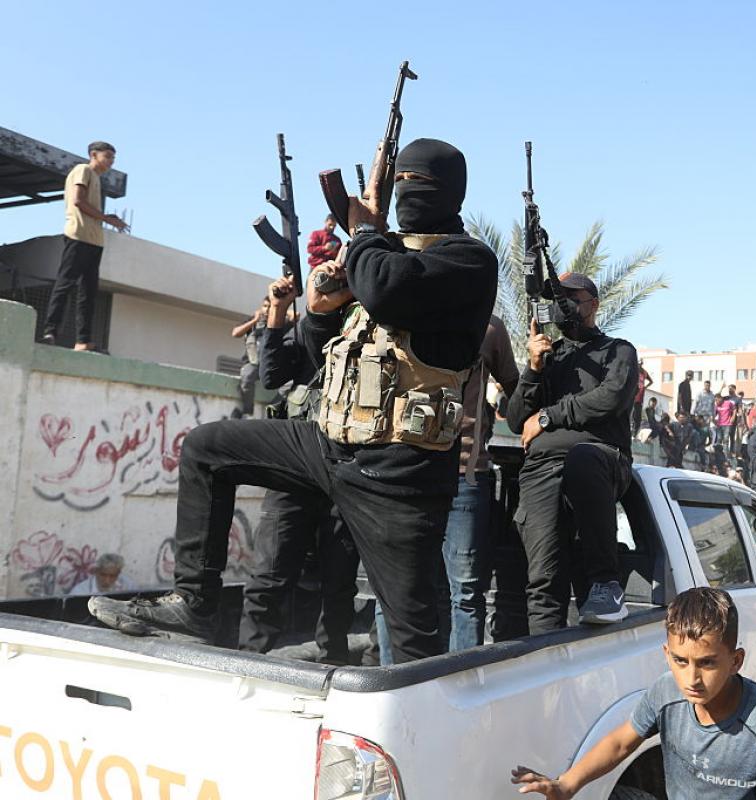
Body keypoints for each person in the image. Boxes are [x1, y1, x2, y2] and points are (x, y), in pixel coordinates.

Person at [88, 138, 498, 664]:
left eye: (416, 183)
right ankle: (194, 603)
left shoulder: (466, 260)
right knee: (207, 448)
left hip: (399, 474)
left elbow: (388, 288)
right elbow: (310, 358)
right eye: (398, 181)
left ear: (451, 192)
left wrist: (365, 234)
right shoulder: (384, 255)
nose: (404, 192)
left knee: (413, 638)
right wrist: (322, 310)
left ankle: (425, 710)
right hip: (329, 445)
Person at [511, 587, 756, 800]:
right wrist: (566, 785)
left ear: (736, 661)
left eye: (707, 663)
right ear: (667, 654)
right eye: (680, 661)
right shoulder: (665, 693)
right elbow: (620, 742)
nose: (692, 678)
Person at [235, 273, 361, 665]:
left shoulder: (368, 329)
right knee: (270, 572)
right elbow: (272, 375)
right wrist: (277, 310)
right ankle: (249, 662)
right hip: (294, 469)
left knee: (339, 580)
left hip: (343, 469)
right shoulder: (309, 327)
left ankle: (333, 660)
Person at [507, 272, 639, 632]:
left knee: (582, 457)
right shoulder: (549, 356)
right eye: (556, 300)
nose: (561, 307)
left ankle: (605, 585)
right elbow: (517, 419)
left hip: (600, 461)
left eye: (570, 299)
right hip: (541, 472)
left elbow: (610, 397)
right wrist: (533, 368)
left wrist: (549, 416)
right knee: (544, 581)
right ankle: (545, 658)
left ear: (593, 305)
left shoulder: (618, 350)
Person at [438, 314, 519, 651]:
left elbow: (517, 395)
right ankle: (399, 678)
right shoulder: (405, 307)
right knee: (399, 590)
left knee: (466, 592)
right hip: (408, 475)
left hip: (464, 476)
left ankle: (461, 678)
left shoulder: (489, 327)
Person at [41, 141, 129, 351]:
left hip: (94, 240)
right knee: (65, 284)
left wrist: (107, 218)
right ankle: (50, 332)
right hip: (78, 236)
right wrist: (107, 219)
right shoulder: (83, 170)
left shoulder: (97, 178)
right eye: (107, 156)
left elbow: (90, 208)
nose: (111, 161)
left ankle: (83, 340)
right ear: (94, 155)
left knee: (88, 292)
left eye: (113, 158)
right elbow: (78, 201)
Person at [230, 297, 271, 417]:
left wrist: (279, 309)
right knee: (247, 375)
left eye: (270, 307)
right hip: (253, 364)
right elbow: (235, 333)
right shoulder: (253, 322)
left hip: (268, 366)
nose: (267, 309)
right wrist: (254, 320)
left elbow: (296, 316)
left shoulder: (277, 323)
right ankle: (248, 412)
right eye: (265, 306)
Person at [630, 360, 653, 432]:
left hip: (639, 395)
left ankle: (635, 429)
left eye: (640, 364)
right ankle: (633, 428)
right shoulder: (635, 371)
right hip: (635, 394)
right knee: (634, 413)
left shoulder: (642, 372)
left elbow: (651, 381)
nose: (639, 365)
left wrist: (645, 387)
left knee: (637, 413)